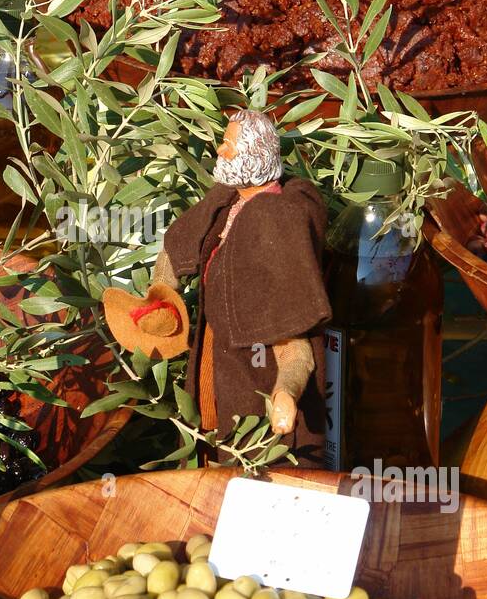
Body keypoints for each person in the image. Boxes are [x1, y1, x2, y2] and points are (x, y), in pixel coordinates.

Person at [109, 111, 330, 459]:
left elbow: (294, 349)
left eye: (227, 146)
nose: (220, 151)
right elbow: (176, 247)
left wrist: (285, 392)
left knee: (253, 447)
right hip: (215, 345)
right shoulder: (226, 201)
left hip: (255, 361)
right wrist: (162, 296)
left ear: (253, 156)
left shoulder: (279, 220)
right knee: (210, 424)